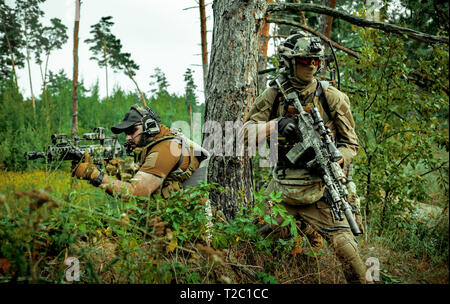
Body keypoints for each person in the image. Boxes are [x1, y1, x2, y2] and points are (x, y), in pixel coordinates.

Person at [243, 31, 367, 283]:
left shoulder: (331, 97)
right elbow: (245, 134)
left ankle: (308, 231)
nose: (312, 65)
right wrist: (276, 124)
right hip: (282, 191)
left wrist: (337, 160)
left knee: (348, 251)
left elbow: (351, 144)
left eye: (316, 61)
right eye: (305, 60)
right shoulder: (273, 96)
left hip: (320, 190)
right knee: (251, 245)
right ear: (289, 62)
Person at [73, 104, 202, 200]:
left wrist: (96, 176)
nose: (128, 137)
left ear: (149, 126)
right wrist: (117, 170)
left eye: (132, 131)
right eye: (126, 133)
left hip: (183, 230)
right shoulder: (159, 144)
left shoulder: (164, 150)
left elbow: (136, 193)